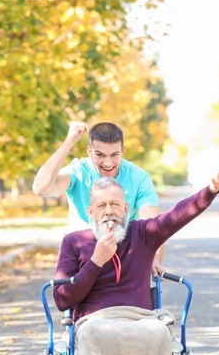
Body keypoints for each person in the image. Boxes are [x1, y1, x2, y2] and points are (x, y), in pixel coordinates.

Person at [53, 162, 219, 355]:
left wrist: (211, 189)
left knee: (159, 331)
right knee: (93, 333)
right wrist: (96, 261)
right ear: (90, 212)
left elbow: (177, 215)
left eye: (115, 204)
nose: (109, 211)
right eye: (101, 205)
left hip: (140, 317)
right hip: (94, 320)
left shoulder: (142, 233)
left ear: (125, 209)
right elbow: (63, 299)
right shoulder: (74, 242)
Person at [32, 121, 166, 283]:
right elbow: (41, 188)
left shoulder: (138, 177)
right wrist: (69, 141)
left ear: (123, 151)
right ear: (89, 151)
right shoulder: (78, 172)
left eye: (114, 155)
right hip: (83, 257)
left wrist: (154, 257)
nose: (108, 163)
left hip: (125, 257)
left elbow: (152, 224)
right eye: (100, 155)